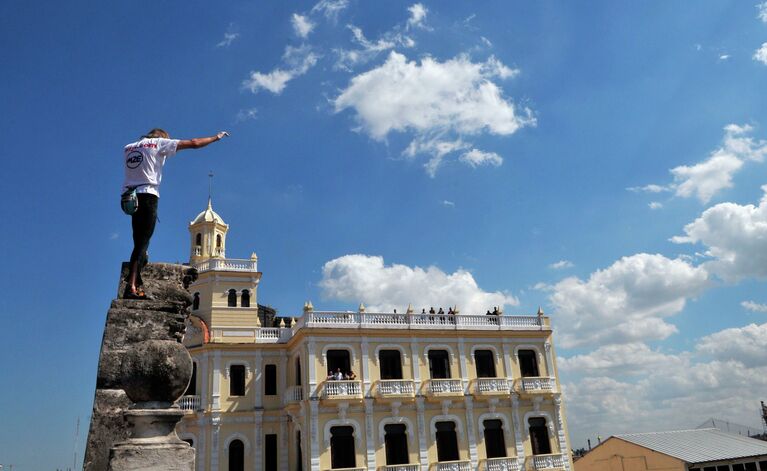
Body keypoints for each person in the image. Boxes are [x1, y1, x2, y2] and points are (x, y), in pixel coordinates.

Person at [122, 128, 229, 299]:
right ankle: (132, 287)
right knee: (143, 243)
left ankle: (138, 278)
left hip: (129, 198)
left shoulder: (129, 147)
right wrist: (216, 138)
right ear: (162, 137)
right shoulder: (159, 143)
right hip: (148, 195)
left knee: (139, 241)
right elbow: (194, 143)